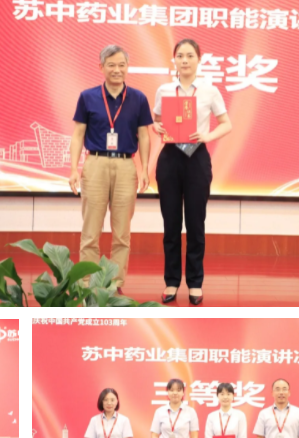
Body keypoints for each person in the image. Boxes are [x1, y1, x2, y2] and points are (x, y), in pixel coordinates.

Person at [152, 39, 233, 305]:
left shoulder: (209, 90)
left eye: (189, 56)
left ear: (199, 59)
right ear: (174, 60)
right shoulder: (164, 89)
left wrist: (207, 136)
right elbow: (156, 120)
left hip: (197, 158)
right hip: (170, 158)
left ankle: (195, 283)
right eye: (180, 56)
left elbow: (226, 124)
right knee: (171, 224)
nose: (184, 61)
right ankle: (171, 281)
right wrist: (157, 127)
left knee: (196, 224)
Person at [69, 45, 152, 296]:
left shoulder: (138, 98)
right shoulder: (87, 97)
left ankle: (115, 284)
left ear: (127, 67)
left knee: (122, 233)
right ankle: (86, 283)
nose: (117, 70)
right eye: (111, 65)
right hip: (95, 163)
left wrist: (144, 169)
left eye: (121, 65)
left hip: (126, 165)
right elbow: (78, 134)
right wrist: (73, 168)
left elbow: (144, 136)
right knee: (90, 231)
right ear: (101, 67)